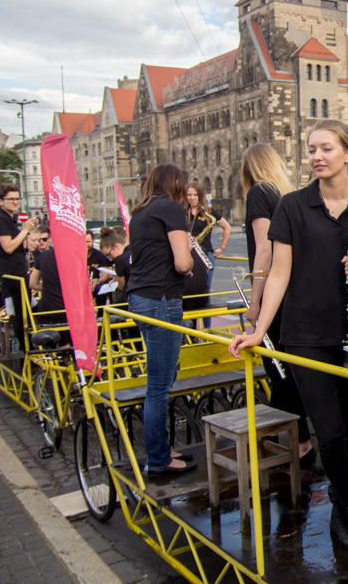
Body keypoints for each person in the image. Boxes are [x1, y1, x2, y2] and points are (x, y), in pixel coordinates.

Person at [230, 120, 348, 550]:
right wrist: (260, 329)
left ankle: (345, 508)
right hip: (306, 333)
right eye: (311, 149)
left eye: (325, 148)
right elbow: (279, 272)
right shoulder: (292, 206)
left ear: (347, 153)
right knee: (329, 430)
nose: (316, 156)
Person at [239, 142, 315, 466]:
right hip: (294, 292)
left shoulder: (258, 193)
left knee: (277, 369)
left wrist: (254, 302)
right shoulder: (285, 194)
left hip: (274, 294)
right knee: (288, 367)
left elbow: (264, 250)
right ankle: (299, 439)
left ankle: (297, 442)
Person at [125, 164, 196, 476]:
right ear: (175, 183)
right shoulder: (171, 208)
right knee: (159, 385)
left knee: (158, 381)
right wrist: (189, 255)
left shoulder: (140, 212)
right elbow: (182, 263)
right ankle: (158, 459)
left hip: (139, 297)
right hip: (162, 299)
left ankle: (162, 448)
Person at [0, 183, 38, 350]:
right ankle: (28, 351)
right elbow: (8, 247)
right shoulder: (0, 220)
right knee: (21, 315)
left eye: (17, 198)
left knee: (24, 313)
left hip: (17, 271)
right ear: (0, 201)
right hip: (12, 274)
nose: (15, 202)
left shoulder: (9, 219)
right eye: (10, 199)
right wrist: (25, 230)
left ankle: (29, 349)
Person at [186, 181, 232, 328]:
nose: (192, 198)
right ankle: (191, 327)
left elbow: (227, 227)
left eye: (195, 195)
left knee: (205, 292)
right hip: (189, 256)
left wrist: (222, 248)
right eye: (189, 195)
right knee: (189, 293)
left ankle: (208, 329)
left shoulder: (209, 212)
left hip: (205, 255)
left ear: (200, 196)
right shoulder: (182, 212)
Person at [99, 227, 130, 305]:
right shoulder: (134, 250)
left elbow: (121, 287)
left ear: (116, 246)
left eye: (109, 255)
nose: (109, 259)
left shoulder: (120, 260)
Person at [86, 230, 113, 306]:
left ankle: (101, 315)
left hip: (95, 283)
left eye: (88, 242)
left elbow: (105, 275)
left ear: (93, 241)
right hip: (80, 285)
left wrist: (97, 282)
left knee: (102, 290)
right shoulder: (75, 256)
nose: (85, 244)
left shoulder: (99, 255)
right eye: (83, 242)